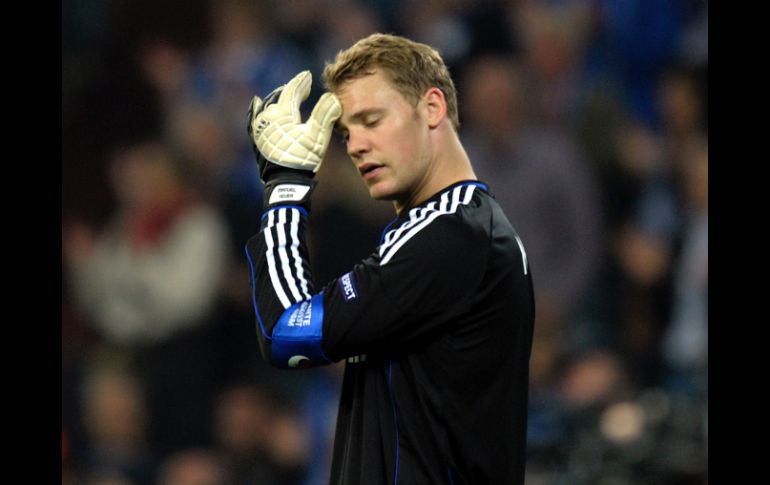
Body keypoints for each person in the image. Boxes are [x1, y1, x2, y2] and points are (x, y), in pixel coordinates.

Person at [244, 33, 535, 484]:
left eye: (372, 121)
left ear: (433, 108)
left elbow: (285, 331)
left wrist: (285, 189)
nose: (355, 145)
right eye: (346, 133)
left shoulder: (450, 235)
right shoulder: (469, 228)